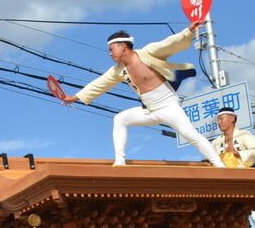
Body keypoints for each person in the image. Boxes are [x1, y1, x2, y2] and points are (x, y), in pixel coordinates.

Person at [62, 25, 225, 167]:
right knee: (120, 119)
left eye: (111, 49)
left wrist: (188, 31)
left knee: (190, 134)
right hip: (149, 110)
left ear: (123, 46)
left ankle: (219, 164)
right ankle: (120, 160)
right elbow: (99, 84)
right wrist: (75, 98)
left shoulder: (148, 52)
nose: (110, 54)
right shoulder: (118, 70)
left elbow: (169, 44)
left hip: (168, 106)